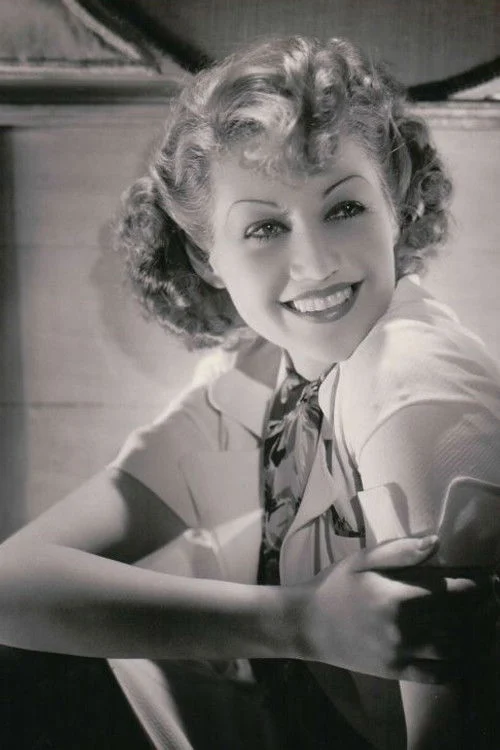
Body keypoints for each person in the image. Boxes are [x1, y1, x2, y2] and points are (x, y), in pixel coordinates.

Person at [0, 35, 498, 750]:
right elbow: (14, 585)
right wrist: (300, 624)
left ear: (394, 202)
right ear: (208, 258)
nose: (315, 263)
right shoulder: (264, 374)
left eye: (344, 208)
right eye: (265, 227)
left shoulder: (414, 388)